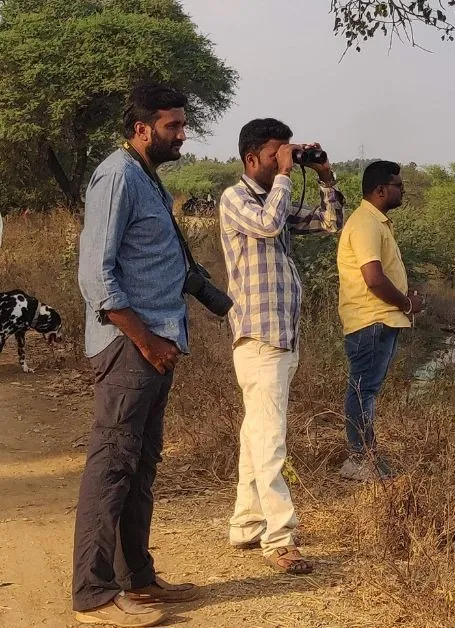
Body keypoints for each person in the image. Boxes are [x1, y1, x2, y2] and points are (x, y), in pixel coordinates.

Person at [74, 83, 198, 628]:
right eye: (173, 126)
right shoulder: (118, 175)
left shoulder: (145, 175)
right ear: (143, 128)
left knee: (140, 466)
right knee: (112, 466)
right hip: (130, 346)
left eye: (183, 124)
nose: (183, 135)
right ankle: (94, 594)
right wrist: (145, 340)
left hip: (153, 346)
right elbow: (96, 278)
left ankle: (137, 579)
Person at [219, 118, 344, 574]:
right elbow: (270, 225)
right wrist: (288, 177)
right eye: (277, 154)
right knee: (271, 439)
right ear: (252, 158)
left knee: (256, 433)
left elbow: (331, 223)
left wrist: (326, 178)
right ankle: (280, 537)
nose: (284, 161)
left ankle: (247, 523)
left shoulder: (277, 196)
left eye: (287, 153)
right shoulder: (235, 199)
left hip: (281, 335)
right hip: (259, 335)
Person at [336, 160, 423, 481]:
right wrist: (406, 303)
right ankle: (360, 459)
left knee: (365, 389)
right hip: (371, 319)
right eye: (399, 185)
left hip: (378, 319)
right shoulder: (365, 224)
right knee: (362, 390)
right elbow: (373, 278)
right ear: (380, 190)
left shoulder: (376, 222)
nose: (403, 190)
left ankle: (364, 456)